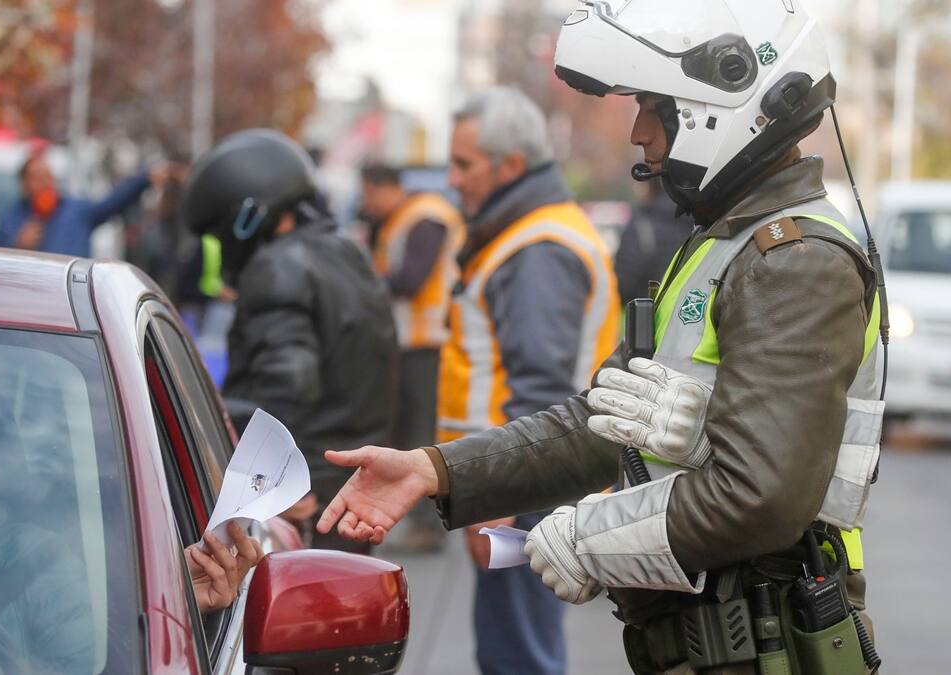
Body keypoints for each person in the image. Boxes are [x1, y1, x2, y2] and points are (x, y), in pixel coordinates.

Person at [318, 3, 885, 674]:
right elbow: (600, 421)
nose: (642, 132)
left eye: (655, 106)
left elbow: (760, 495)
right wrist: (434, 470)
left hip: (766, 646)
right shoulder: (722, 245)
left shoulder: (794, 259)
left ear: (725, 101)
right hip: (710, 645)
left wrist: (590, 538)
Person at [448, 86, 624, 675]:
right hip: (520, 486)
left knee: (516, 655)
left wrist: (497, 498)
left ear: (512, 166)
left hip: (522, 493)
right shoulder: (532, 235)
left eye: (464, 164)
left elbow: (541, 388)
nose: (452, 179)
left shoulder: (537, 249)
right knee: (516, 648)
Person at [183, 129, 397, 554]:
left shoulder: (277, 268)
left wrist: (198, 413)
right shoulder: (343, 252)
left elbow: (285, 388)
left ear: (244, 217)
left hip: (303, 496)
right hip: (349, 484)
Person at [360, 163, 465, 552]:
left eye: (368, 194)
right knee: (409, 430)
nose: (367, 204)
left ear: (384, 186)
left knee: (420, 432)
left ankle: (428, 524)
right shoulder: (403, 218)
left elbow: (410, 279)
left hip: (428, 341)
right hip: (410, 341)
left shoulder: (426, 218)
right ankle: (421, 520)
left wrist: (365, 283)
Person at [0, 151, 173, 257]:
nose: (45, 183)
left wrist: (144, 180)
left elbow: (112, 202)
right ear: (23, 183)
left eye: (48, 177)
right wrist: (17, 246)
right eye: (37, 177)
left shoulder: (76, 210)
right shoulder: (9, 221)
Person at [614, 180, 691, 305]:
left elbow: (624, 284)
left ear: (650, 187)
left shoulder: (641, 226)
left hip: (650, 316)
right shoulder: (698, 225)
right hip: (688, 312)